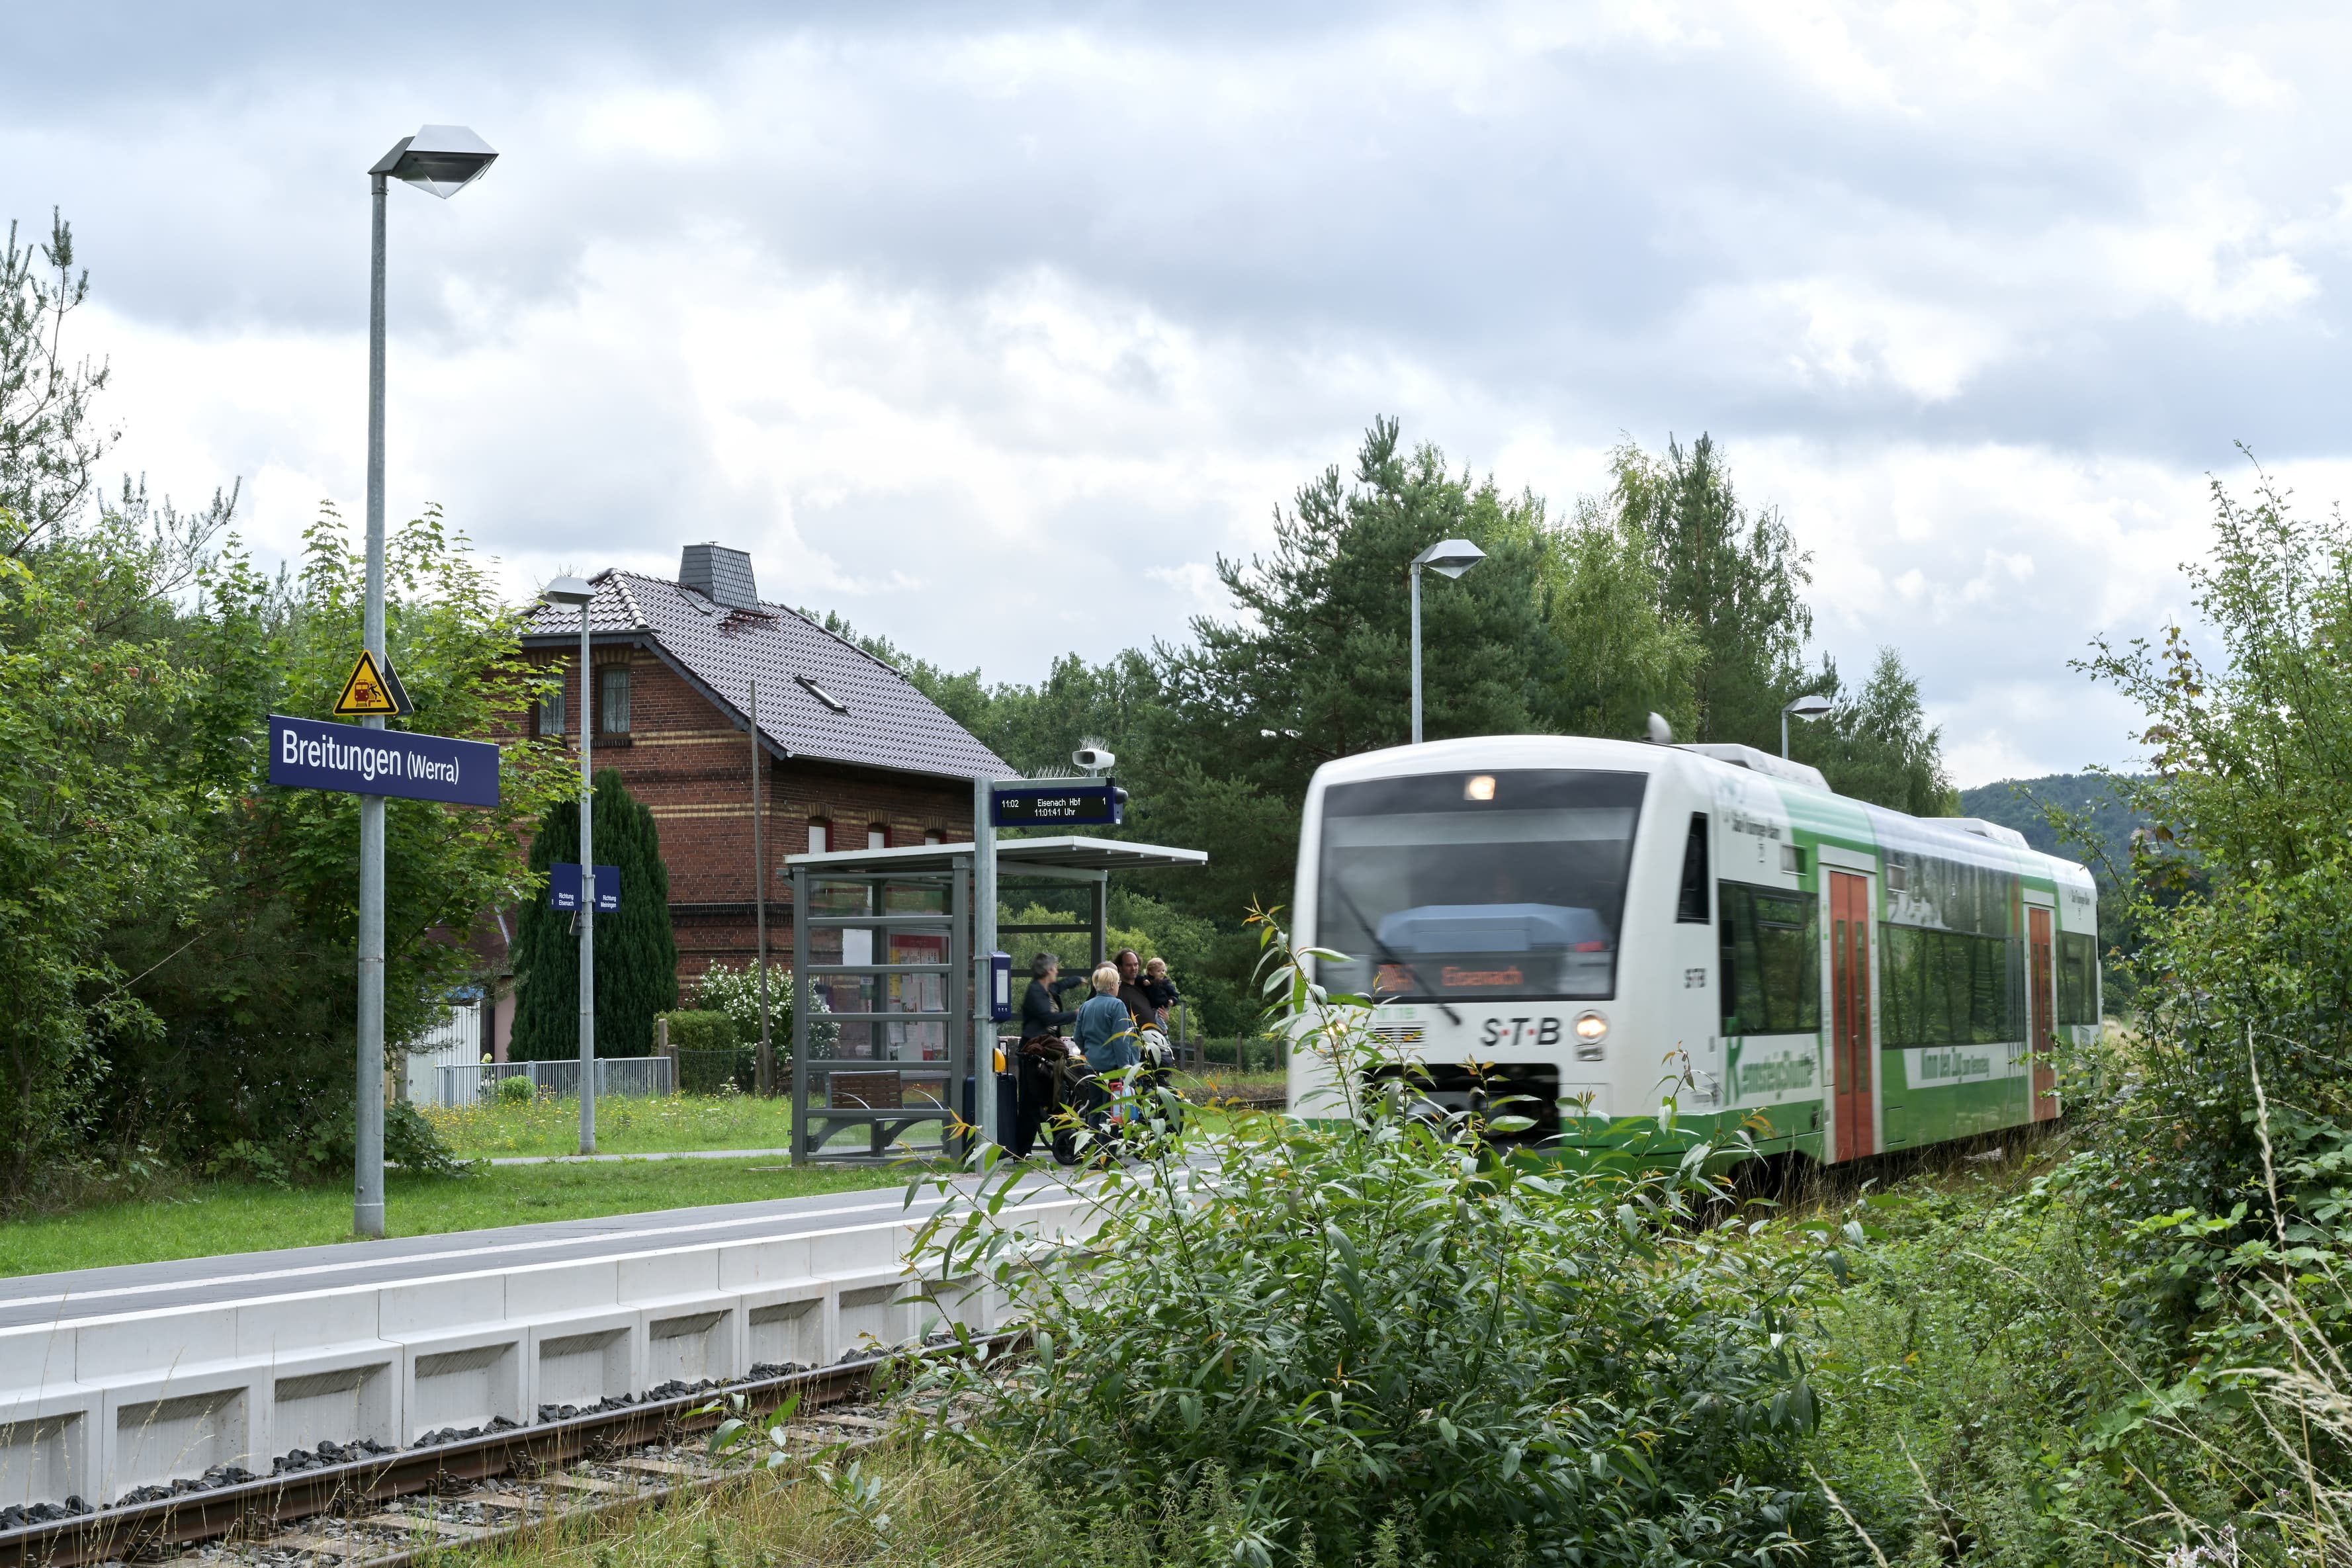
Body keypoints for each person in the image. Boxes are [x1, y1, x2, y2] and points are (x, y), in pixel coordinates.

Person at [1013, 953, 1086, 1158]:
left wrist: (1078, 980)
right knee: (1031, 1101)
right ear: (1047, 970)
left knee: (1057, 1099)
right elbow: (1047, 1017)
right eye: (1055, 967)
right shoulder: (1035, 991)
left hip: (1049, 1052)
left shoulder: (1049, 989)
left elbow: (1061, 985)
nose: (1057, 971)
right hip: (1034, 1052)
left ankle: (1065, 1147)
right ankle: (1021, 1151)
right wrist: (1075, 1014)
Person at [1074, 963, 1140, 1075]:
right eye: (1118, 982)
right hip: (1112, 1069)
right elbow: (1121, 1040)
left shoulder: (1085, 1006)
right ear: (1112, 985)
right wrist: (1125, 1069)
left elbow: (1078, 1037)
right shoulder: (1117, 1005)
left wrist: (1090, 1052)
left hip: (1091, 1067)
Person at [1114, 949, 1156, 1035]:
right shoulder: (1116, 991)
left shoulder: (1144, 988)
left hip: (1156, 1041)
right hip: (1135, 1044)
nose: (1133, 968)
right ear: (1120, 968)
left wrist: (1164, 1018)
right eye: (1129, 965)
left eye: (1136, 964)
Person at [1141, 957, 1182, 1027]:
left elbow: (1175, 995)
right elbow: (1138, 978)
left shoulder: (1166, 983)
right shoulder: (1148, 981)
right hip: (1151, 1007)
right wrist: (1144, 981)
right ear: (1151, 972)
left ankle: (1164, 1032)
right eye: (1159, 971)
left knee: (1159, 1019)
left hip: (1162, 1007)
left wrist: (1172, 1001)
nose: (1162, 973)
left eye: (1163, 971)